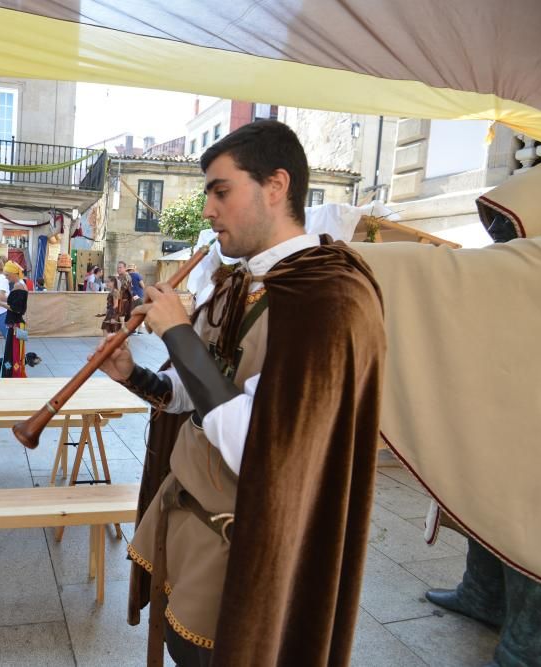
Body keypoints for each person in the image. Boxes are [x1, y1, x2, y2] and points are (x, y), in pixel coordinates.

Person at [97, 121, 385, 666]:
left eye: (220, 191)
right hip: (187, 525)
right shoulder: (241, 282)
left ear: (276, 186)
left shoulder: (330, 297)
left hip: (244, 553)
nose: (207, 210)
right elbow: (197, 395)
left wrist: (178, 333)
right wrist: (133, 372)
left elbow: (261, 445)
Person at [353, 164, 541, 667]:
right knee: (485, 482)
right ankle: (483, 594)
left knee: (534, 511)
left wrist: (339, 256)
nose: (501, 238)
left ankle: (531, 645)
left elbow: (458, 276)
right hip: (521, 398)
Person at [0, 276, 29, 377]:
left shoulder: (18, 285)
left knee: (13, 355)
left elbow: (17, 309)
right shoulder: (19, 285)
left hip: (16, 326)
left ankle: (13, 375)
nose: (6, 277)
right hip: (15, 325)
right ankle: (10, 373)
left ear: (13, 273)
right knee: (11, 354)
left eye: (7, 274)